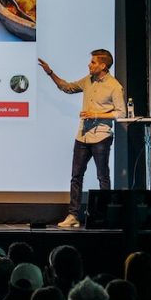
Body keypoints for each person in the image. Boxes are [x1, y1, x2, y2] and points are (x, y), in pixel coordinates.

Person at [38, 49, 125, 228]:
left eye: (93, 62)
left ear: (103, 65)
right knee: (76, 177)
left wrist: (95, 113)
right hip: (83, 137)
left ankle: (103, 216)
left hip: (101, 136)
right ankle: (73, 216)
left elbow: (121, 113)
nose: (89, 65)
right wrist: (50, 72)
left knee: (103, 177)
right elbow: (67, 87)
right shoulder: (88, 80)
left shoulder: (114, 86)